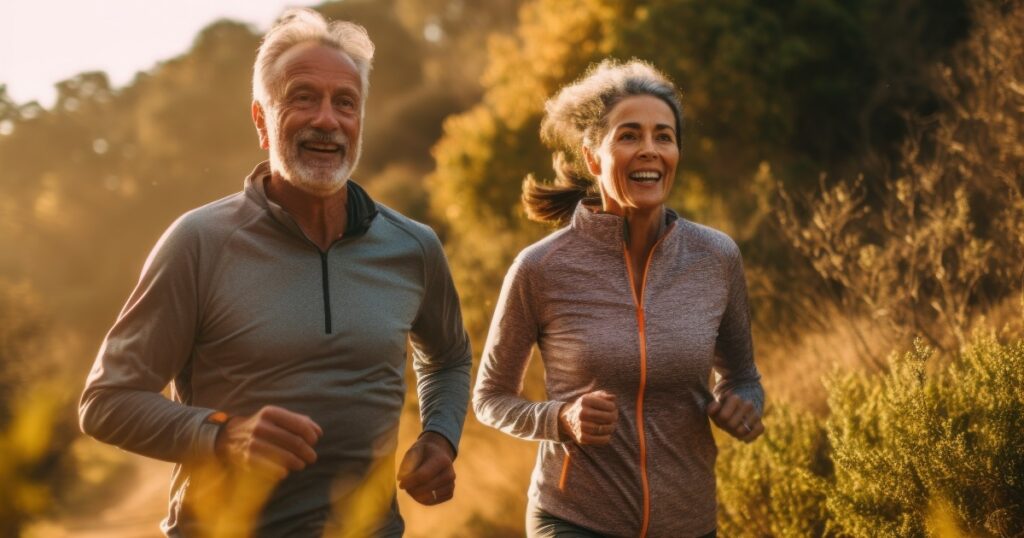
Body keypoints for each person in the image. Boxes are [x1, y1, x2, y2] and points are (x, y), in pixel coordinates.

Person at [79, 8, 471, 537]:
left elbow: (447, 356)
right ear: (262, 120)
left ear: (360, 121)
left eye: (345, 103)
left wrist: (440, 435)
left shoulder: (412, 247)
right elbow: (106, 401)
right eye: (302, 97)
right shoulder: (199, 242)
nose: (326, 120)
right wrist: (223, 435)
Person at [473, 59, 765, 537]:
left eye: (663, 136)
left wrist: (743, 404)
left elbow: (744, 378)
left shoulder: (716, 257)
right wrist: (560, 419)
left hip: (688, 520)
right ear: (593, 158)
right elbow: (490, 398)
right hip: (575, 517)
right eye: (629, 136)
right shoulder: (541, 267)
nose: (649, 150)